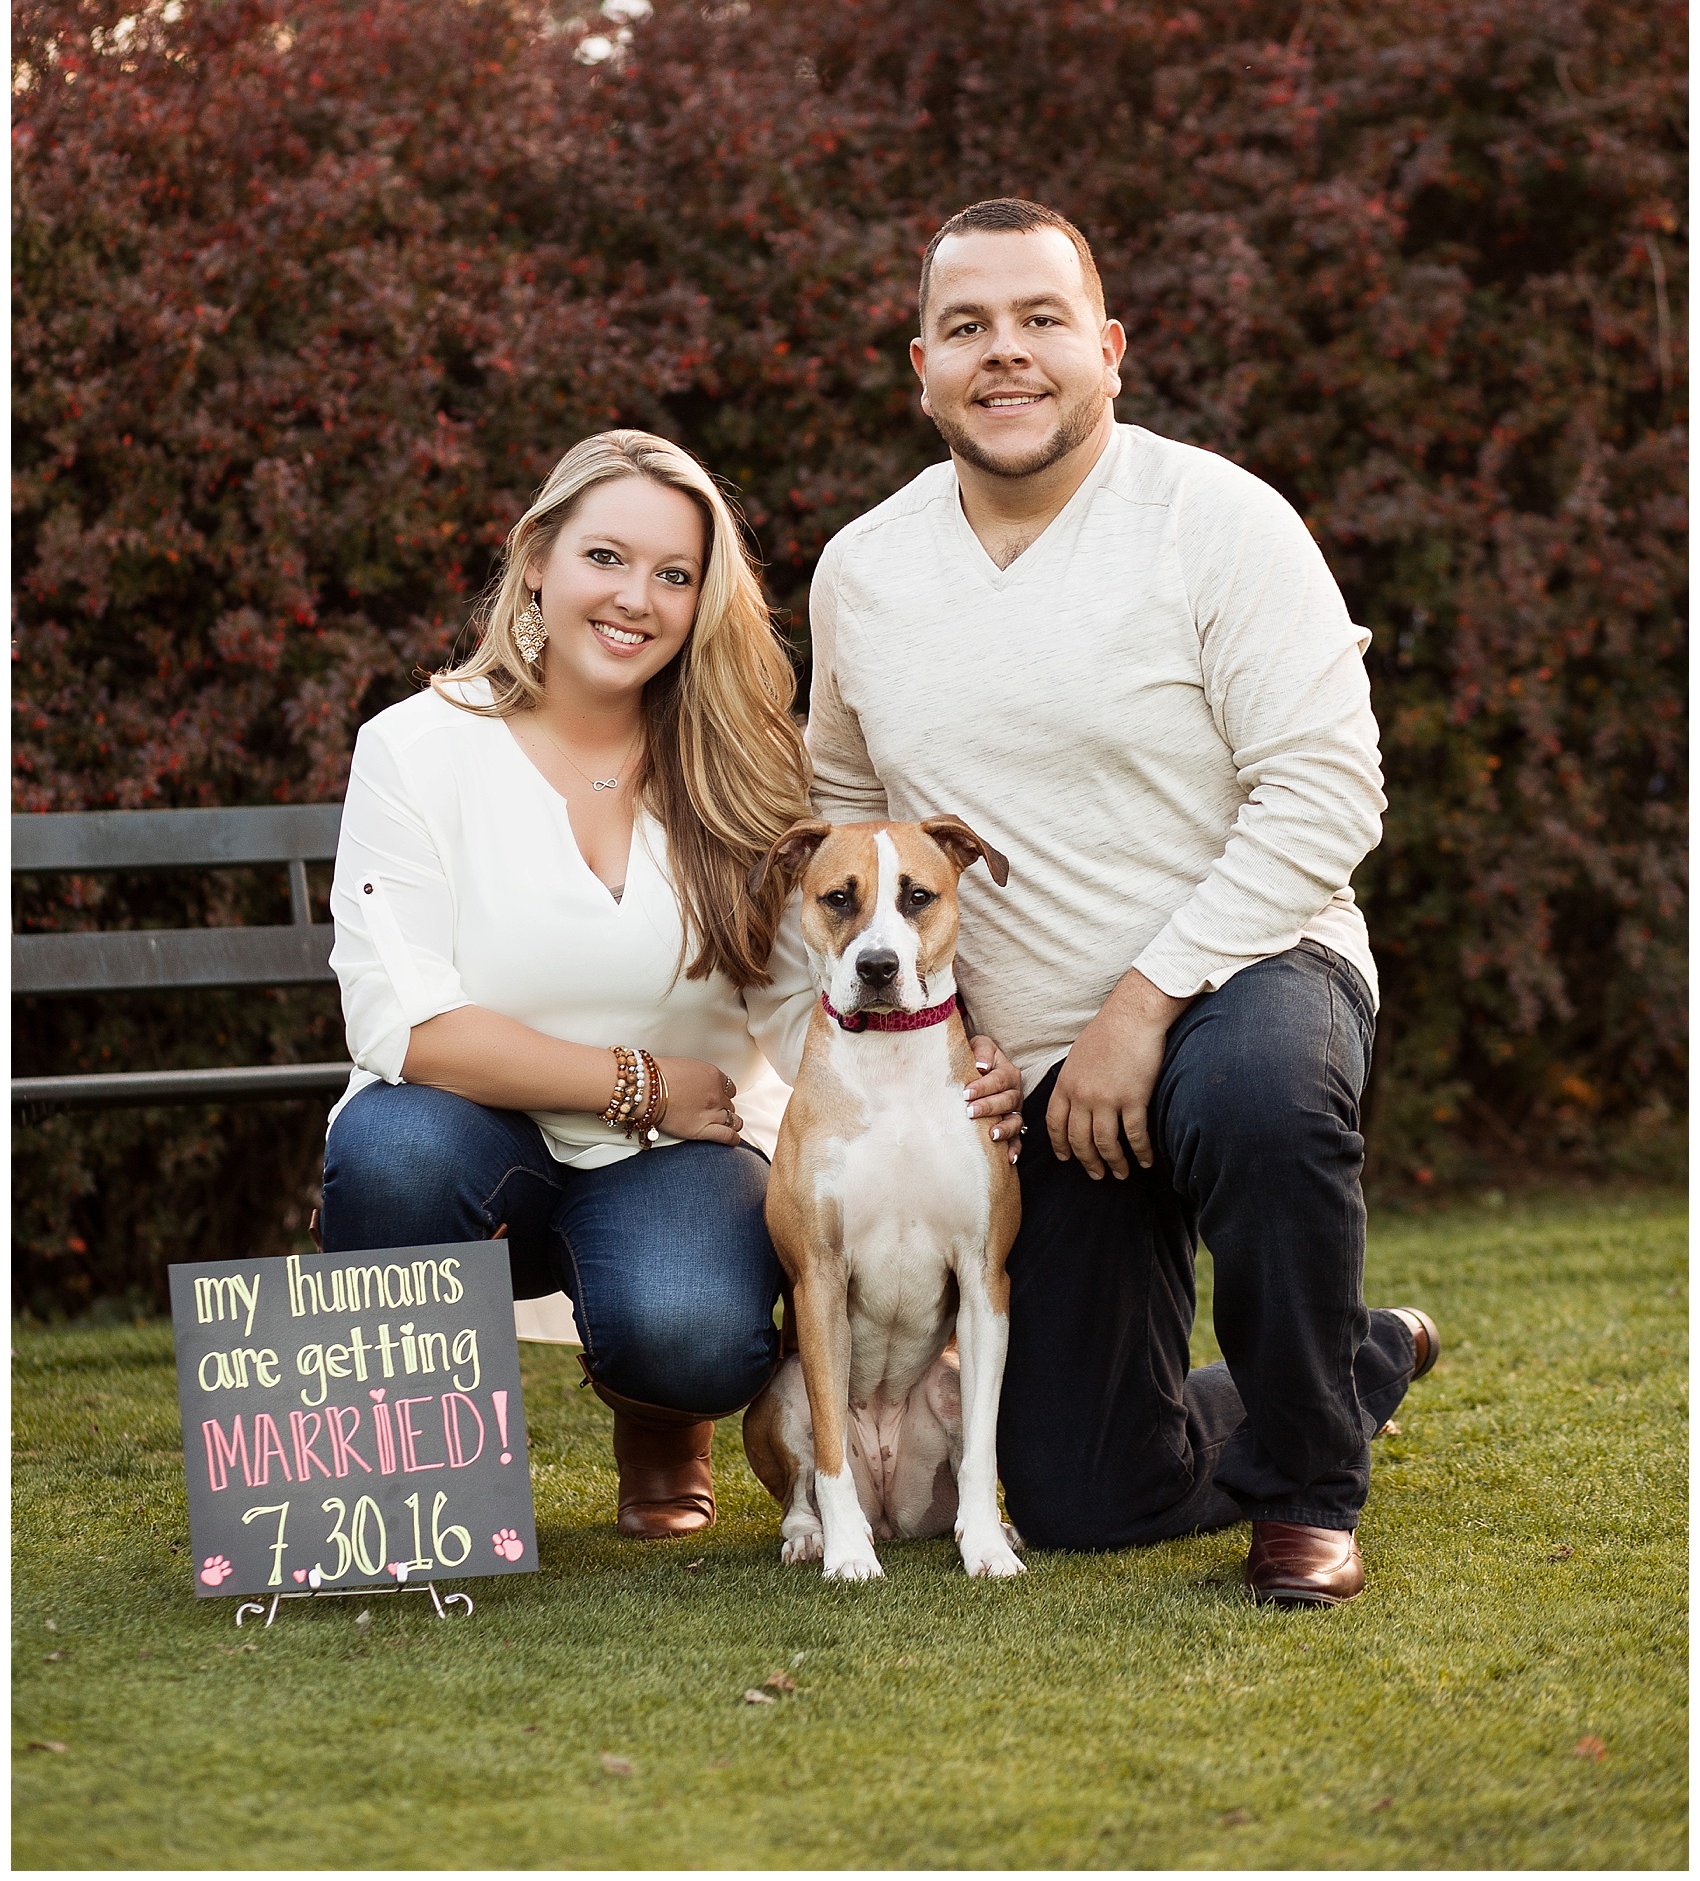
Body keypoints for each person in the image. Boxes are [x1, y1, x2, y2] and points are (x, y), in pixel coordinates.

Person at [805, 198, 1438, 1606]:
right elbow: (853, 836)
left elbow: (1332, 793)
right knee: (1090, 1491)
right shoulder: (863, 571)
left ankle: (1307, 1495)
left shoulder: (1220, 521)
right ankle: (1364, 1358)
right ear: (921, 364)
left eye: (1040, 318)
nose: (1005, 352)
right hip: (1028, 1072)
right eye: (967, 326)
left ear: (1110, 346)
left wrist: (1146, 1002)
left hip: (1246, 976)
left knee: (1264, 1099)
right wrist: (933, 1036)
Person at [321, 429, 1022, 1539]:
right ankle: (409, 1480)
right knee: (392, 1155)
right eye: (605, 556)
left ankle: (658, 1419)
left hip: (668, 1160)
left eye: (674, 573)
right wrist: (636, 1080)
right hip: (466, 1129)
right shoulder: (416, 747)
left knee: (695, 1326)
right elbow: (397, 1021)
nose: (634, 597)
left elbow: (813, 991)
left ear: (703, 598)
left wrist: (946, 1077)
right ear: (536, 556)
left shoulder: (744, 765)